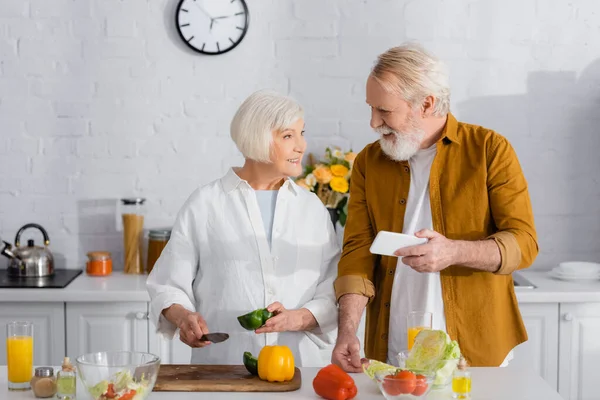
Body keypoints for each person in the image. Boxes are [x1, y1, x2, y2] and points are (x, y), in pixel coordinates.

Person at [331, 43, 538, 371]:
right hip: (392, 348)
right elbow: (357, 254)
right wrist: (346, 332)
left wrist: (454, 252)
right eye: (371, 108)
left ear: (425, 104)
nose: (373, 122)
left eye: (384, 110)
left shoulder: (489, 150)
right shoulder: (369, 162)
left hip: (475, 351)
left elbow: (524, 244)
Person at [147, 90, 340, 367]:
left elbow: (332, 286)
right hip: (221, 370)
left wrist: (301, 317)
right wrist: (183, 318)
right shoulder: (205, 204)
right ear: (257, 137)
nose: (302, 145)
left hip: (298, 371)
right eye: (288, 136)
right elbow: (167, 284)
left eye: (301, 133)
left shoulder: (312, 209)